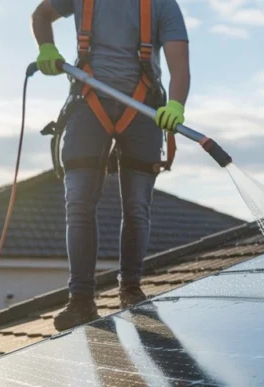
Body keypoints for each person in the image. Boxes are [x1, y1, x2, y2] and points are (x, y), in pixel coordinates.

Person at [31, 0, 190, 331]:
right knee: (78, 203)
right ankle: (81, 301)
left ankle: (130, 290)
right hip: (89, 102)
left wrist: (175, 103)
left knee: (136, 206)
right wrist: (46, 46)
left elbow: (179, 65)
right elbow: (41, 14)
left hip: (143, 105)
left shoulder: (162, 5)